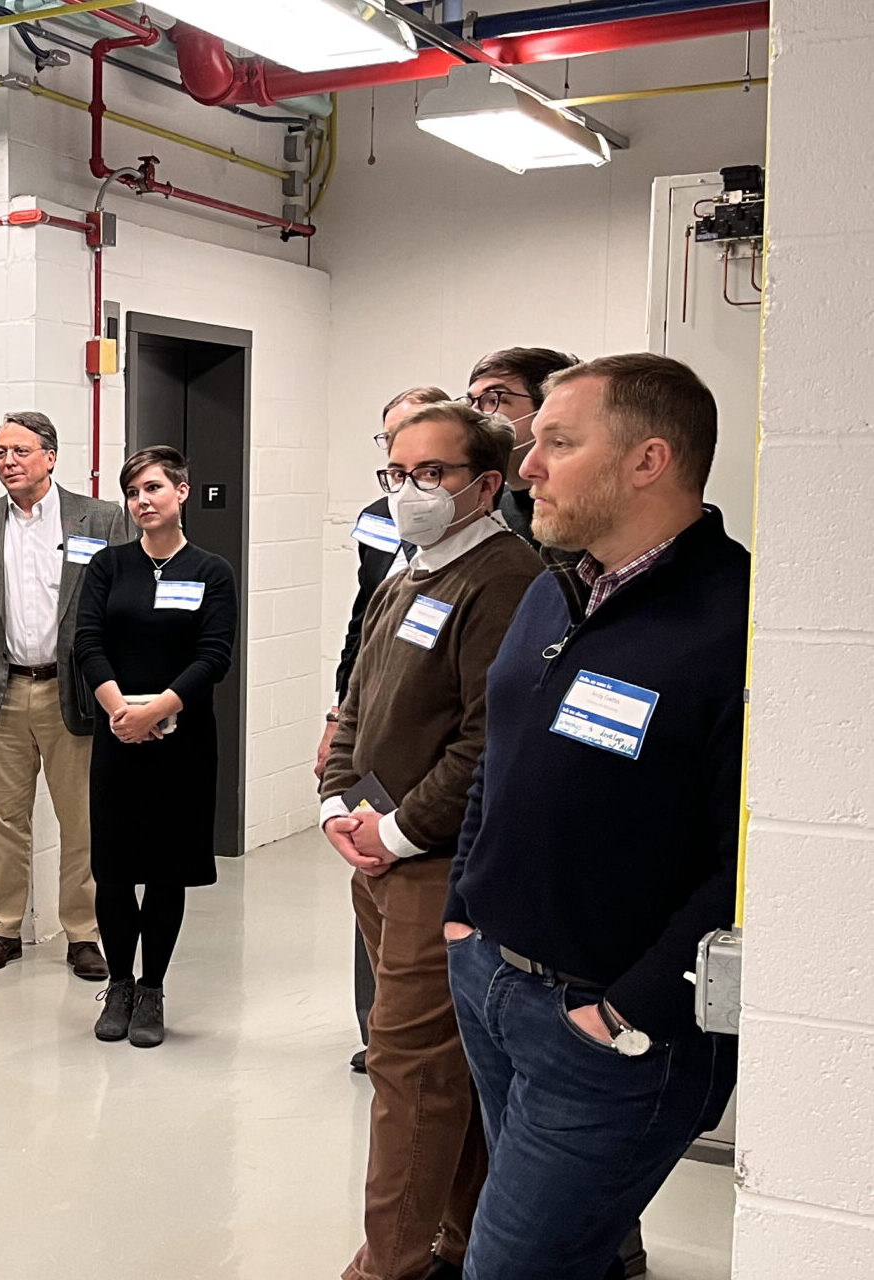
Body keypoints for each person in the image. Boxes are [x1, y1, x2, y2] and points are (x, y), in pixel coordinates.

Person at [444, 354, 743, 1280]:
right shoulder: (555, 587)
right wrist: (465, 910)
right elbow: (502, 755)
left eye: (558, 443)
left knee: (510, 1265)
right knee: (566, 1249)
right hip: (493, 983)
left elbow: (755, 861)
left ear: (649, 461)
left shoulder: (735, 622)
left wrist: (623, 1011)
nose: (527, 465)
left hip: (612, 1035)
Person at [321, 402, 541, 1280]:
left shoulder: (503, 578)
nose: (409, 491)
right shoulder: (413, 568)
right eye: (396, 472)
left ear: (486, 484)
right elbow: (360, 696)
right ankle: (454, 1240)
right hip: (376, 855)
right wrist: (340, 794)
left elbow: (487, 738)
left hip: (434, 866)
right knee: (430, 1068)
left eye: (431, 474)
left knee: (409, 1076)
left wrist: (399, 830)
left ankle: (391, 1265)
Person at [0, 412, 130, 978]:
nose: (8, 462)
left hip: (72, 694)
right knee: (4, 820)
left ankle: (83, 934)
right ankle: (3, 929)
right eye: (0, 452)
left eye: (20, 451)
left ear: (50, 456)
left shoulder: (99, 519)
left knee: (82, 821)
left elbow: (122, 605)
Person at [71, 446, 236, 1048]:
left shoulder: (211, 571)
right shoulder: (109, 566)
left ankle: (152, 990)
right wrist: (121, 710)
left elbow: (213, 656)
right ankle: (118, 985)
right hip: (119, 737)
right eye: (134, 492)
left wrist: (158, 711)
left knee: (166, 871)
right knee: (115, 869)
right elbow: (87, 641)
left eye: (154, 489)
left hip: (182, 742)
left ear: (182, 492)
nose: (143, 501)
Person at [323, 385, 453, 1074]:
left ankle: (411, 1030)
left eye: (419, 465)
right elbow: (361, 623)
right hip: (370, 730)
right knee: (368, 882)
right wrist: (335, 715)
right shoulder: (377, 521)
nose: (405, 483)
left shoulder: (491, 560)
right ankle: (375, 1029)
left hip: (431, 752)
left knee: (415, 890)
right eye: (390, 458)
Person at [462, 346, 578, 539]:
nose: (473, 415)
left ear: (546, 410)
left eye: (492, 400)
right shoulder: (487, 508)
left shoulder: (581, 509)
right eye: (470, 403)